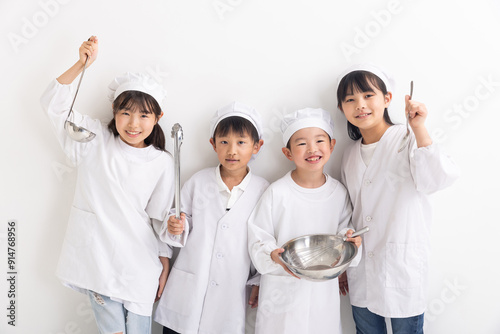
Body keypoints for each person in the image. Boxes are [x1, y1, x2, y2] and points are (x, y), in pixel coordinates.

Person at [40, 36, 174, 334]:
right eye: (125, 112)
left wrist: (164, 258)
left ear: (158, 117)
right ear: (114, 111)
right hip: (98, 260)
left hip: (139, 265)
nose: (133, 123)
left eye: (143, 115)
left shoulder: (161, 161)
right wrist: (81, 64)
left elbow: (160, 217)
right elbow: (53, 105)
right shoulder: (94, 139)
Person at [336, 63, 460, 334]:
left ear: (387, 98)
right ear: (342, 109)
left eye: (368, 95)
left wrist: (419, 127)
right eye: (350, 99)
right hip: (361, 266)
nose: (360, 105)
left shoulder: (407, 139)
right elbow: (349, 210)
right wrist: (343, 258)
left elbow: (437, 179)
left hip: (402, 264)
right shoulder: (348, 155)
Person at [154, 102, 269, 334]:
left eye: (241, 142)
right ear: (213, 143)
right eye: (224, 142)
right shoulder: (199, 181)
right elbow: (178, 222)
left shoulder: (264, 191)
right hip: (187, 293)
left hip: (229, 299)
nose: (232, 150)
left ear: (257, 146)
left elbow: (264, 242)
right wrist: (176, 225)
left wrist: (258, 281)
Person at [247, 108, 362, 334]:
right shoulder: (277, 192)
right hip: (281, 289)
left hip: (322, 292)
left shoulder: (338, 193)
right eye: (301, 143)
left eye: (319, 140)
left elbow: (345, 232)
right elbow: (258, 237)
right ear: (288, 153)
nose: (312, 149)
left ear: (331, 145)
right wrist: (271, 255)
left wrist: (352, 240)